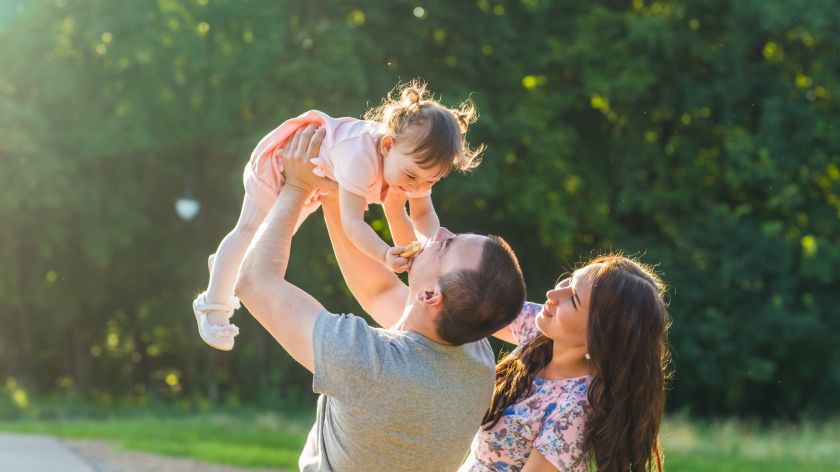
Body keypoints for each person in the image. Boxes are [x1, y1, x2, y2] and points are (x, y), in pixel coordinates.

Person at [234, 125, 526, 472]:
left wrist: (297, 186)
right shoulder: (473, 354)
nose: (442, 231)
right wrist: (336, 192)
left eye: (447, 244)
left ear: (431, 295)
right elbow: (380, 291)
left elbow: (254, 281)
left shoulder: (369, 365)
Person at [195, 80, 483, 351]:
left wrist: (432, 251)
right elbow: (352, 222)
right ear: (386, 146)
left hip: (315, 178)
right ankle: (212, 304)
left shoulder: (412, 166)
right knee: (248, 231)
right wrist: (384, 255)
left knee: (264, 242)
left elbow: (422, 214)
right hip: (284, 162)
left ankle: (225, 268)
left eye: (430, 182)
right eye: (412, 177)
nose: (417, 187)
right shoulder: (361, 159)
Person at [458, 255, 672, 471]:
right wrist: (426, 223)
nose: (552, 294)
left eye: (574, 299)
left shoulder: (575, 409)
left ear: (598, 336)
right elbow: (465, 293)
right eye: (570, 280)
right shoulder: (542, 331)